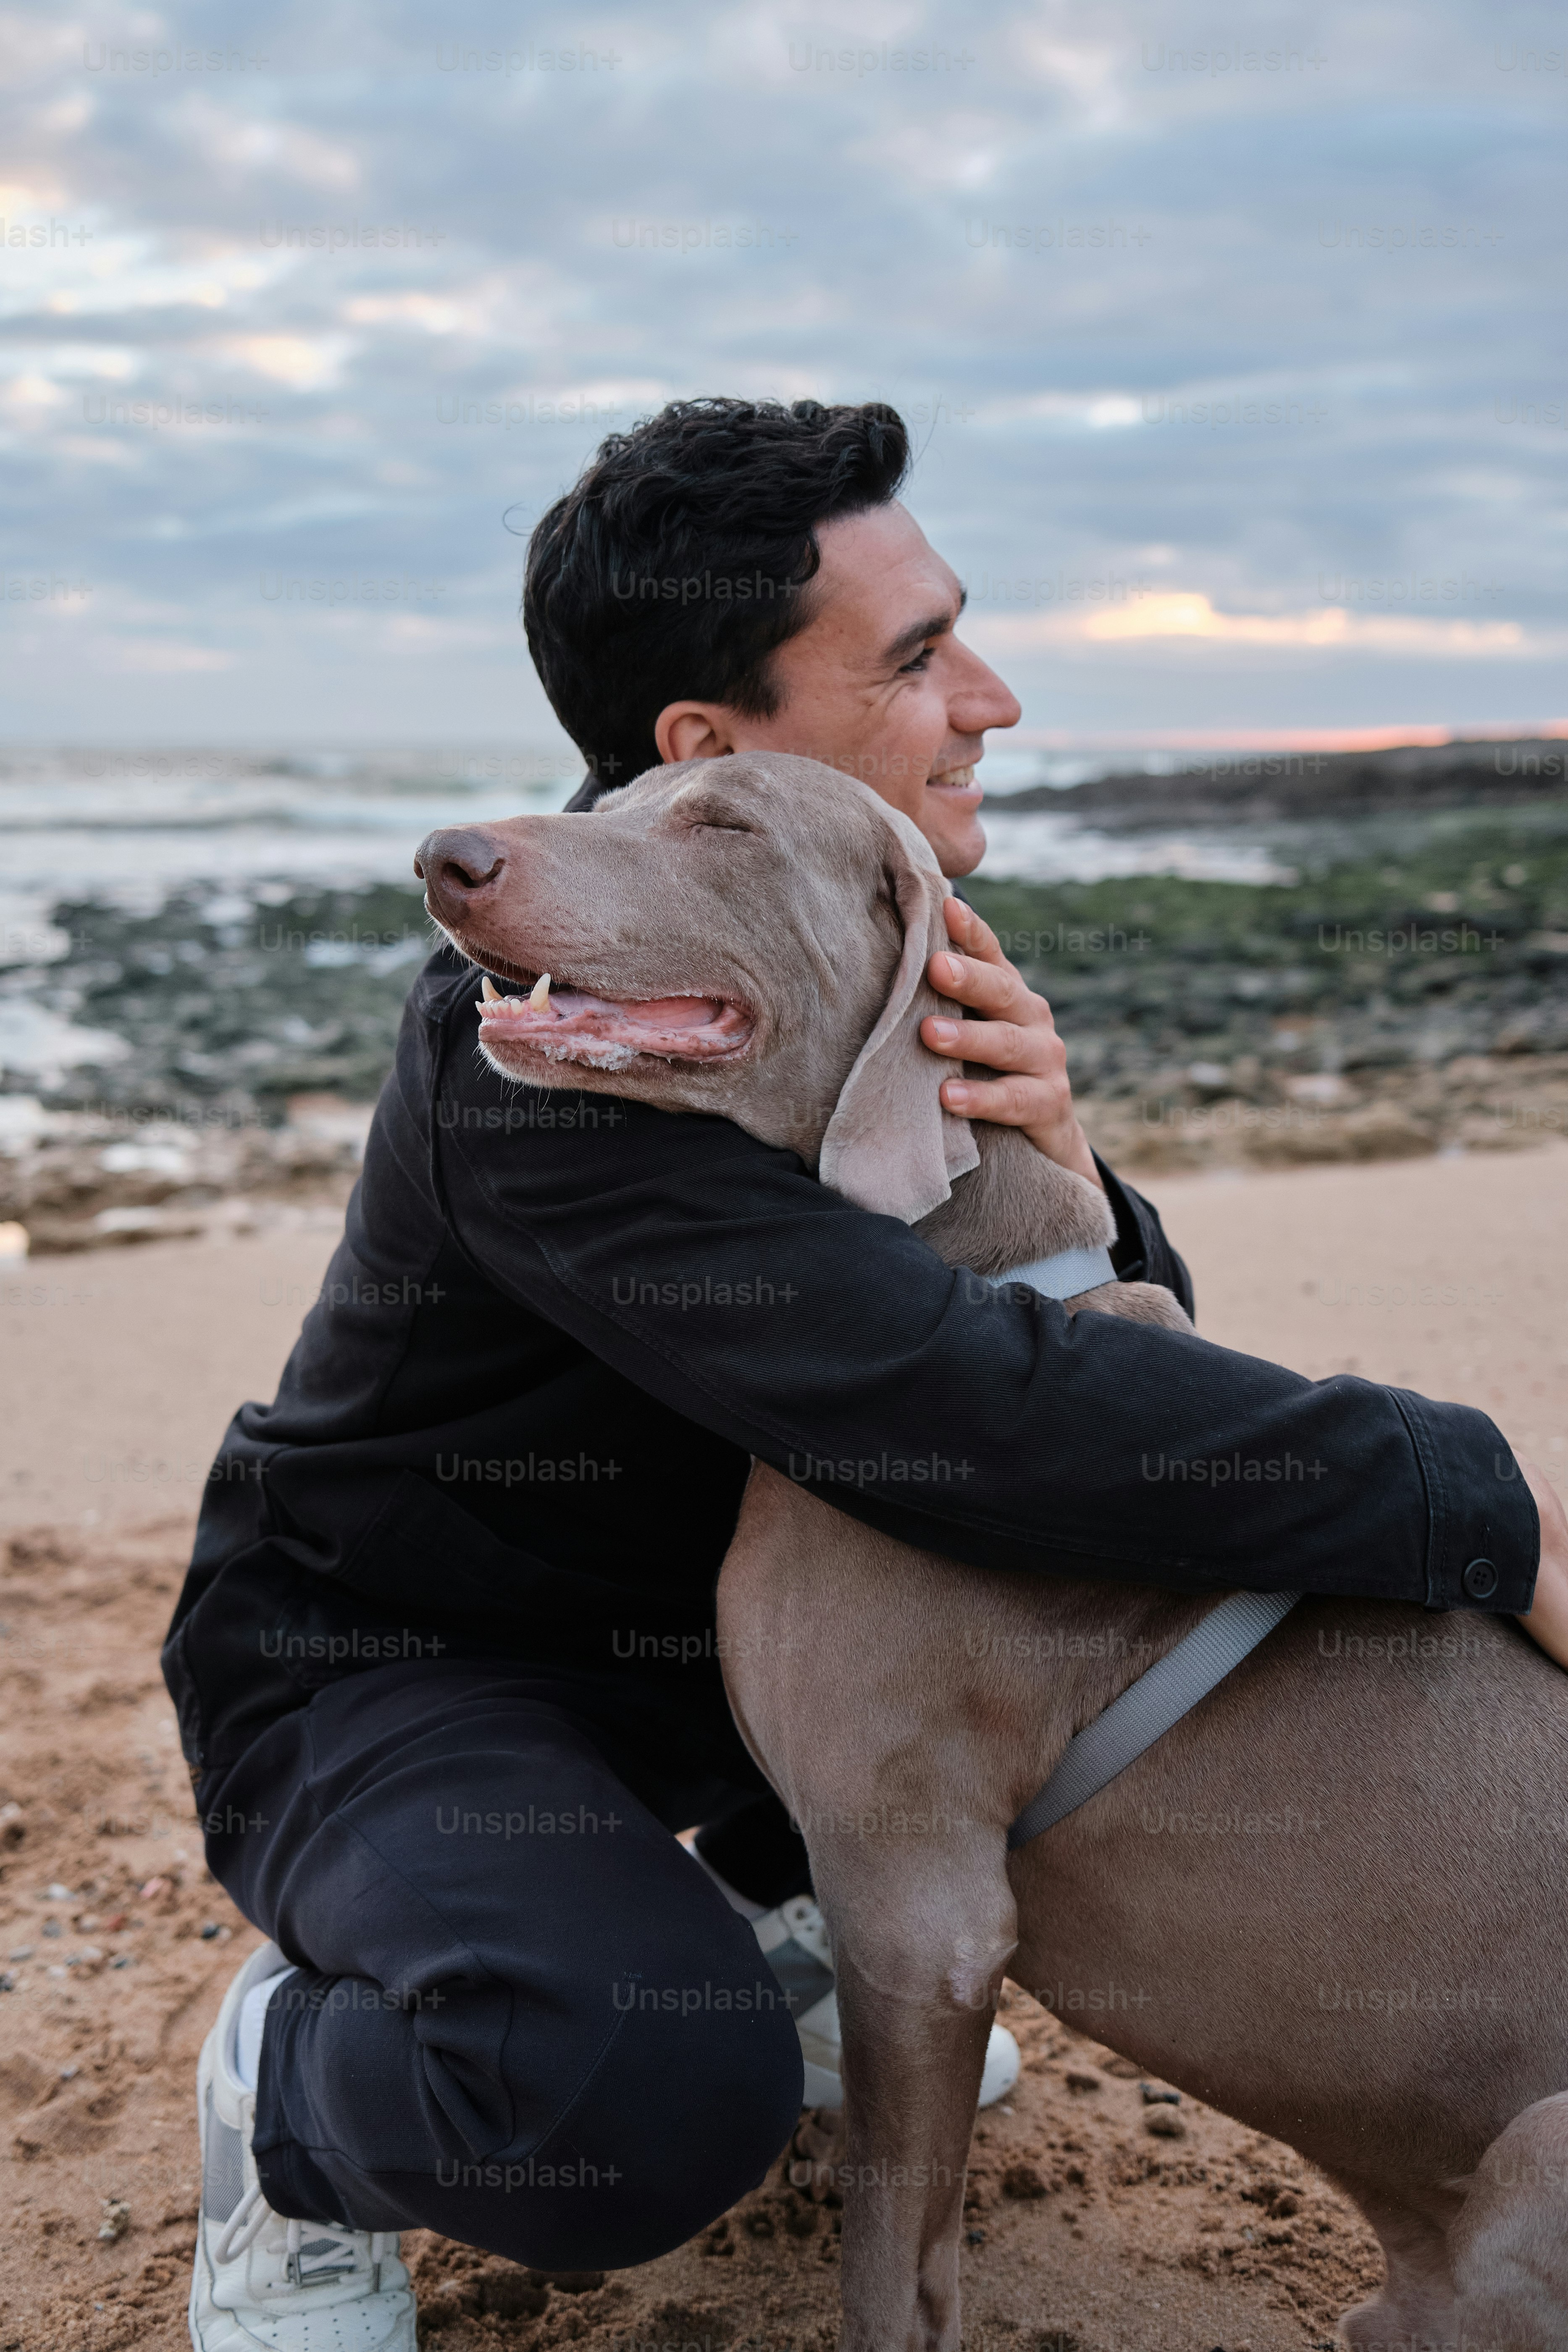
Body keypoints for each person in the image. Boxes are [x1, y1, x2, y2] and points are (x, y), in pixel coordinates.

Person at [169, 399, 1561, 2351]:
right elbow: (966, 1408)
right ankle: (294, 2098)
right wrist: (1486, 1503)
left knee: (765, 1949)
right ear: (706, 754)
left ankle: (753, 1903)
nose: (986, 695)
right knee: (625, 2094)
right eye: (914, 660)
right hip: (400, 1678)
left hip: (745, 1702)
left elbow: (1074, 1343)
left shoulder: (840, 933)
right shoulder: (551, 1050)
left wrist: (1074, 1162)